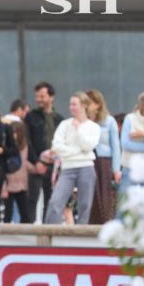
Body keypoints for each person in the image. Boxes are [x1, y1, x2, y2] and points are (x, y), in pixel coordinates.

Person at [44, 92, 101, 224]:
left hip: (86, 168)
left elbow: (88, 146)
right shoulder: (64, 124)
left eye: (74, 104)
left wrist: (79, 129)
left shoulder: (93, 127)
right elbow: (56, 146)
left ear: (84, 106)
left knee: (84, 205)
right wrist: (76, 151)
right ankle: (50, 233)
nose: (71, 107)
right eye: (71, 104)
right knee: (55, 202)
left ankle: (81, 236)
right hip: (67, 168)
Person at [25, 82, 64, 223]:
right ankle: (28, 232)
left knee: (51, 199)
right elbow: (27, 141)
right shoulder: (31, 117)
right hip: (36, 166)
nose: (38, 99)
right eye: (37, 96)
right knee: (31, 199)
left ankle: (47, 231)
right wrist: (37, 162)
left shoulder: (60, 120)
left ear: (51, 97)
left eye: (42, 96)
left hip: (54, 166)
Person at [85, 89, 121, 224]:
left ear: (98, 104)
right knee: (90, 194)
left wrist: (116, 169)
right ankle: (89, 223)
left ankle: (106, 223)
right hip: (88, 160)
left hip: (104, 162)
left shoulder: (109, 121)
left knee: (105, 194)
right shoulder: (83, 121)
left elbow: (116, 146)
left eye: (90, 102)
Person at [2, 121, 32, 223]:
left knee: (25, 213)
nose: (13, 135)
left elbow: (28, 162)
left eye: (15, 132)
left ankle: (26, 235)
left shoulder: (26, 147)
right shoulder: (6, 148)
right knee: (7, 214)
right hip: (8, 184)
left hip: (22, 184)